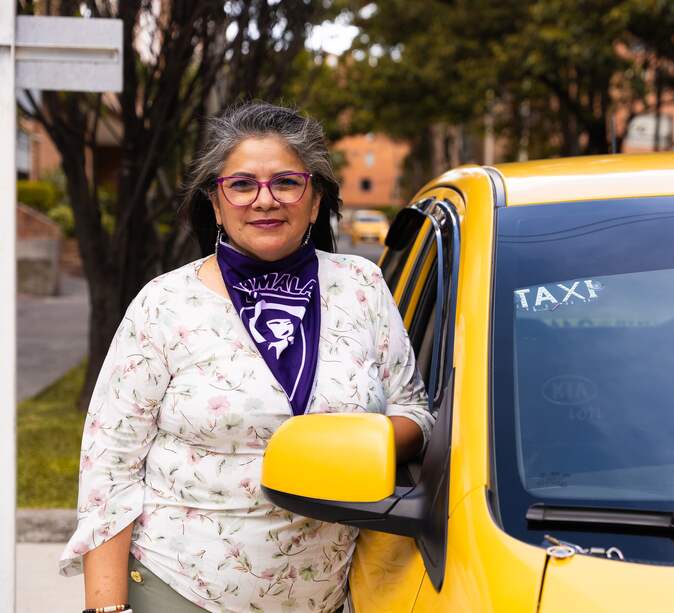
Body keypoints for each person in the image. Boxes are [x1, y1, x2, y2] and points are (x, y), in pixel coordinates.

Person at [60, 102, 434, 613]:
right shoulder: (164, 303)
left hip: (323, 595)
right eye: (241, 184)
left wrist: (356, 441)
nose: (265, 200)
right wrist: (105, 608)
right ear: (216, 202)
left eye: (286, 182)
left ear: (315, 196)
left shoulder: (362, 287)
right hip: (179, 586)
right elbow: (110, 463)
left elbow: (415, 412)